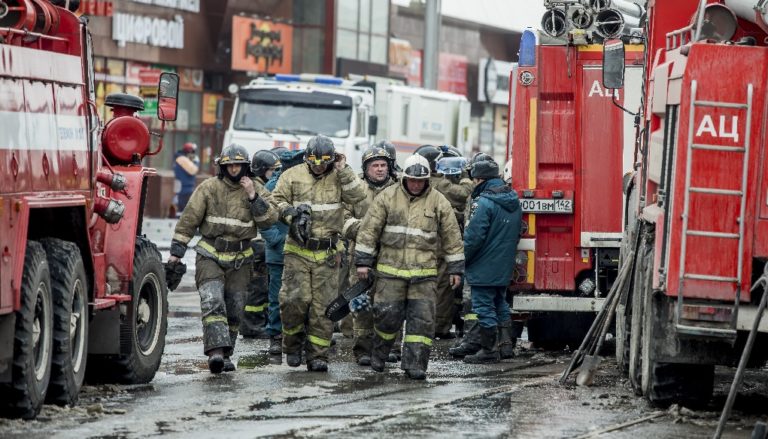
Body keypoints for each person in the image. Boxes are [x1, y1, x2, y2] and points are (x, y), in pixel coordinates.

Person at [167, 144, 277, 373]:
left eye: (238, 165)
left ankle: (227, 354)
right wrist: (176, 253)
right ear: (222, 167)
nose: (234, 169)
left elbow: (269, 219)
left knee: (235, 309)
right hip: (210, 255)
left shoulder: (256, 188)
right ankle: (215, 352)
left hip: (241, 259)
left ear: (246, 167)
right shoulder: (208, 188)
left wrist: (253, 196)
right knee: (213, 302)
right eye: (229, 165)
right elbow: (189, 220)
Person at [355, 154, 464, 380]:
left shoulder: (438, 201)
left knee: (422, 324)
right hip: (390, 273)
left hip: (424, 276)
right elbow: (369, 230)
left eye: (421, 181)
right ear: (404, 178)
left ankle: (415, 364)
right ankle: (380, 354)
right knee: (386, 317)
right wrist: (363, 263)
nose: (416, 184)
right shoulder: (387, 197)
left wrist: (455, 269)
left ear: (427, 180)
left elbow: (452, 235)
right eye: (412, 180)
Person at [272, 135, 366, 372]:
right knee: (294, 300)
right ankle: (292, 346)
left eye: (324, 162)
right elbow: (276, 201)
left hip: (328, 254)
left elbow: (360, 200)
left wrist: (344, 171)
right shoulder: (292, 176)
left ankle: (318, 356)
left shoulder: (340, 176)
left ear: (332, 159)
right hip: (298, 251)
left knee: (323, 308)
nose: (319, 167)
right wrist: (291, 214)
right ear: (307, 159)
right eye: (314, 162)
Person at [455, 159, 522, 364]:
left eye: (474, 179)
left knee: (483, 307)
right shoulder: (513, 200)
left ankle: (489, 350)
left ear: (480, 179)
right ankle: (506, 346)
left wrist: (461, 260)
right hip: (503, 265)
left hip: (483, 266)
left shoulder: (483, 202)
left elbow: (474, 237)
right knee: (500, 303)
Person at [342, 145, 398, 366]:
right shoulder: (355, 190)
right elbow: (343, 218)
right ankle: (363, 351)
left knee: (389, 305)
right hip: (359, 259)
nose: (380, 169)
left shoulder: (398, 189)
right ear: (365, 169)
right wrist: (368, 230)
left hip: (390, 258)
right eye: (375, 165)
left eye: (384, 165)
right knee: (362, 307)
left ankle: (390, 348)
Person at [415, 145, 473, 339]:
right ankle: (439, 326)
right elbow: (465, 193)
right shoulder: (440, 183)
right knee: (442, 287)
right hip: (438, 244)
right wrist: (465, 174)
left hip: (420, 243)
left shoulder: (414, 182)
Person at [260, 149, 305, 358]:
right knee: (277, 298)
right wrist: (277, 240)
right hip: (278, 255)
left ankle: (300, 335)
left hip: (303, 254)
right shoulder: (272, 186)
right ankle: (276, 337)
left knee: (302, 297)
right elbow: (262, 217)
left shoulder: (306, 184)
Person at [240, 150, 282, 339]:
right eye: (273, 170)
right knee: (257, 287)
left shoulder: (261, 186)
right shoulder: (255, 187)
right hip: (256, 244)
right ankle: (251, 326)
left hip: (260, 244)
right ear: (262, 170)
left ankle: (260, 322)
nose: (276, 173)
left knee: (264, 287)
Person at [173, 142, 199, 215]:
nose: (193, 154)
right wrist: (196, 162)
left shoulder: (181, 158)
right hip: (184, 189)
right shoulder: (182, 159)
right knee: (183, 211)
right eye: (193, 152)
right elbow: (193, 170)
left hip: (183, 188)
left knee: (182, 210)